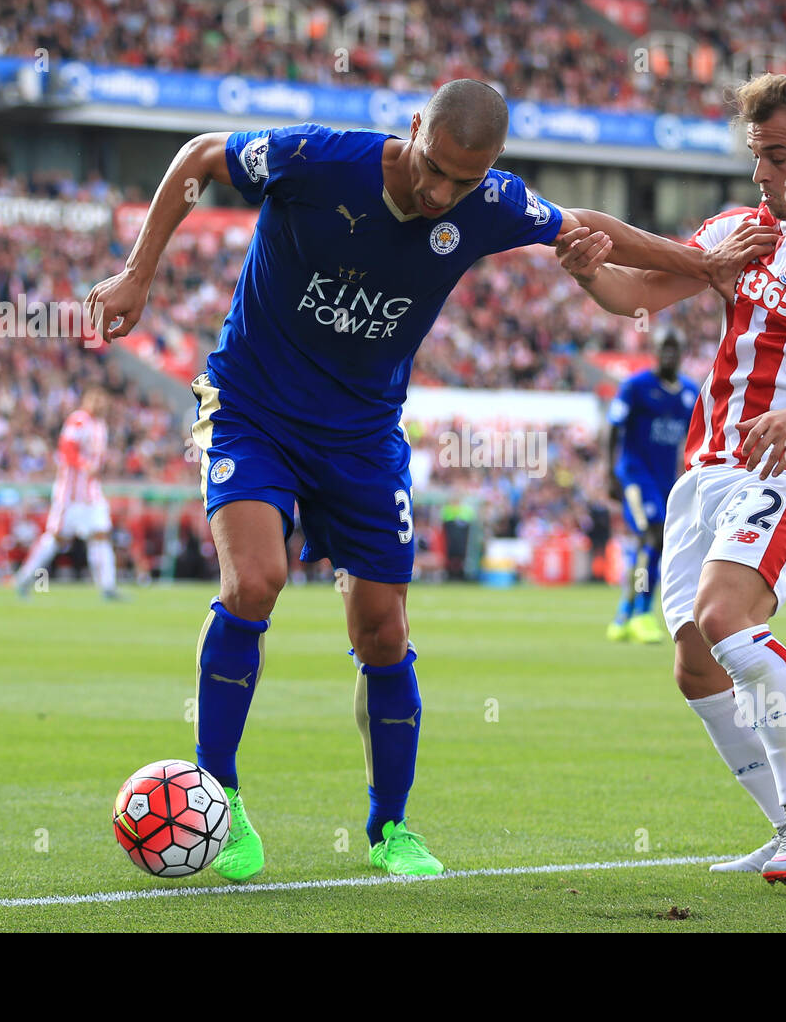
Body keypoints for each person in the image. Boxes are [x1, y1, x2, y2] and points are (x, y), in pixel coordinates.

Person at [84, 79, 717, 881]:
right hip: (254, 409)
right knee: (256, 582)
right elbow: (200, 156)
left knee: (382, 631)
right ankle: (220, 793)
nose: (440, 192)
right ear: (414, 128)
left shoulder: (491, 204)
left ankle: (390, 829)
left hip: (363, 437)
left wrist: (705, 265)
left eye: (463, 180)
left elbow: (591, 229)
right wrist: (138, 272)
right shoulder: (318, 158)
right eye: (433, 168)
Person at [558, 73, 786, 883]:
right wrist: (587, 271)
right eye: (755, 156)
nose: (762, 175)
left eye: (777, 156)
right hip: (706, 472)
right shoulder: (739, 228)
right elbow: (636, 293)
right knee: (693, 659)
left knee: (725, 617)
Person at [605, 326, 698, 643]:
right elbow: (614, 427)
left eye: (675, 349)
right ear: (655, 352)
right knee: (651, 534)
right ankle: (642, 614)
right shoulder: (635, 386)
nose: (669, 355)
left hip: (664, 481)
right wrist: (610, 473)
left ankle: (624, 615)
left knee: (655, 545)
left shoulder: (688, 393)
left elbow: (695, 438)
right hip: (634, 473)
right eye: (664, 348)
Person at [13, 388, 121, 600]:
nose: (99, 404)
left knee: (101, 534)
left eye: (102, 399)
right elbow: (66, 448)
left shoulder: (101, 425)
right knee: (55, 538)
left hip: (91, 492)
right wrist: (84, 464)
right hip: (70, 495)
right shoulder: (78, 420)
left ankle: (107, 586)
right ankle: (24, 578)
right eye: (95, 399)